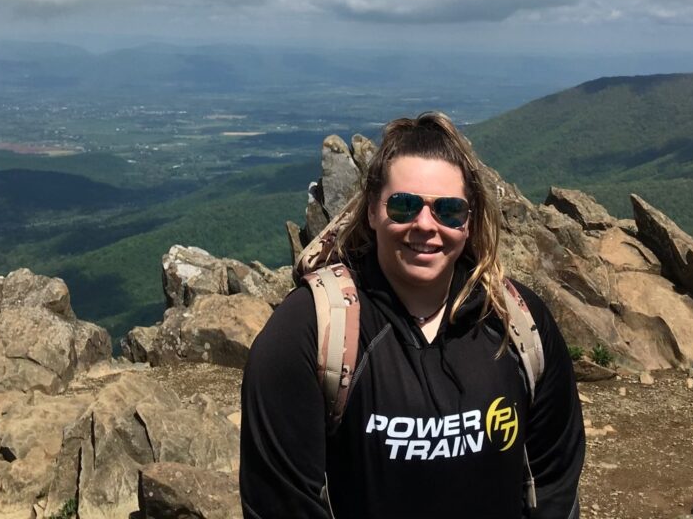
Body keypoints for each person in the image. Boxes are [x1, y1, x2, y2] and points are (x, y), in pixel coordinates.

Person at [240, 112, 585, 519]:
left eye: (449, 211)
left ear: (469, 221)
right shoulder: (307, 331)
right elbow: (281, 502)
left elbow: (554, 480)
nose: (425, 225)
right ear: (372, 211)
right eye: (404, 206)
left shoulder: (517, 322)